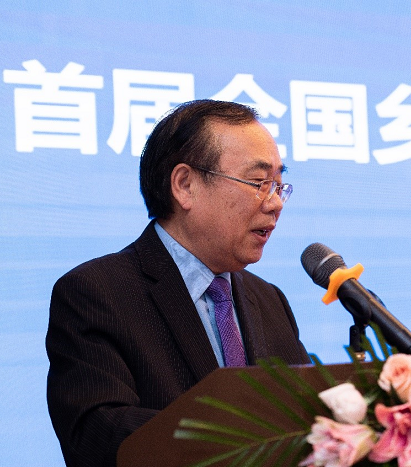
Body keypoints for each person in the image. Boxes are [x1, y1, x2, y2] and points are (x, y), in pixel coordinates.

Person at [46, 100, 311, 467]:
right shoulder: (97, 293)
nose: (276, 203)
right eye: (258, 183)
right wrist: (243, 438)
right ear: (185, 185)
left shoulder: (269, 300)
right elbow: (97, 436)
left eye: (279, 186)